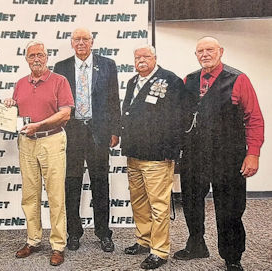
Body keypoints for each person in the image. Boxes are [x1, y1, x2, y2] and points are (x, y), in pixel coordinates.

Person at [175, 36, 264, 271]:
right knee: (191, 202)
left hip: (228, 155)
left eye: (210, 49)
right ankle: (196, 245)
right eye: (200, 51)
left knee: (230, 208)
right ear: (196, 55)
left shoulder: (238, 79)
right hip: (194, 155)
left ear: (220, 51)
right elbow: (179, 118)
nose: (205, 54)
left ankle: (232, 257)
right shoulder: (188, 80)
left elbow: (254, 118)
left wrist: (252, 153)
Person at [4, 41, 74, 266]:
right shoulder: (20, 83)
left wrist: (39, 125)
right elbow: (16, 111)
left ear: (46, 57)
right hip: (26, 141)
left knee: (55, 195)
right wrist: (8, 105)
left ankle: (58, 245)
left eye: (40, 55)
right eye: (32, 55)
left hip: (51, 140)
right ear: (26, 58)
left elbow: (65, 114)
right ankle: (33, 240)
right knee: (30, 195)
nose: (36, 58)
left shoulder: (59, 81)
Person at [53, 28, 120, 253]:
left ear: (92, 42)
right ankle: (74, 232)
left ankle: (104, 233)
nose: (81, 43)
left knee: (100, 183)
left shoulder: (108, 65)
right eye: (77, 39)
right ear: (71, 43)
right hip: (71, 133)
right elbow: (56, 103)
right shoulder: (61, 67)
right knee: (71, 184)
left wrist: (115, 130)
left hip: (98, 132)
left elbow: (114, 99)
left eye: (85, 39)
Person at [121, 45, 184, 269]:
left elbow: (179, 117)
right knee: (139, 202)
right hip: (134, 153)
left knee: (158, 205)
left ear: (155, 58)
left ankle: (159, 250)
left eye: (146, 56)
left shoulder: (171, 80)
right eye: (137, 57)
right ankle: (144, 240)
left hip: (158, 155)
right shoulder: (131, 82)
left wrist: (172, 150)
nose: (141, 60)